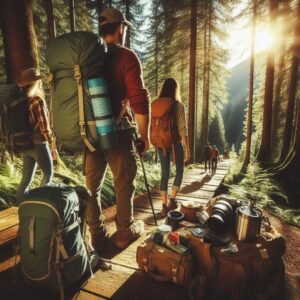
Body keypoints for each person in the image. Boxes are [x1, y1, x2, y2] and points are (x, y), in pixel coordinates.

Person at [84, 7, 150, 252]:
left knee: (92, 186)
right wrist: (145, 137)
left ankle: (97, 234)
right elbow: (139, 100)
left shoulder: (88, 59)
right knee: (123, 183)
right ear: (120, 28)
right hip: (119, 133)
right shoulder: (126, 57)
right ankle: (124, 230)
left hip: (90, 134)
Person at [16, 68, 56, 203]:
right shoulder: (37, 100)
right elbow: (44, 127)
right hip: (39, 144)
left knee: (26, 179)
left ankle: (20, 207)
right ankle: (41, 205)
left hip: (24, 144)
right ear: (36, 83)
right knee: (48, 175)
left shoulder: (20, 101)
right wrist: (52, 145)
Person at [154, 78, 190, 217]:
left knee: (165, 174)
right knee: (180, 171)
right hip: (175, 144)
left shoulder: (155, 104)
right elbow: (183, 129)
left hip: (161, 144)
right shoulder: (178, 106)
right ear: (176, 89)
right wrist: (187, 149)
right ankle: (172, 201)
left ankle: (163, 205)